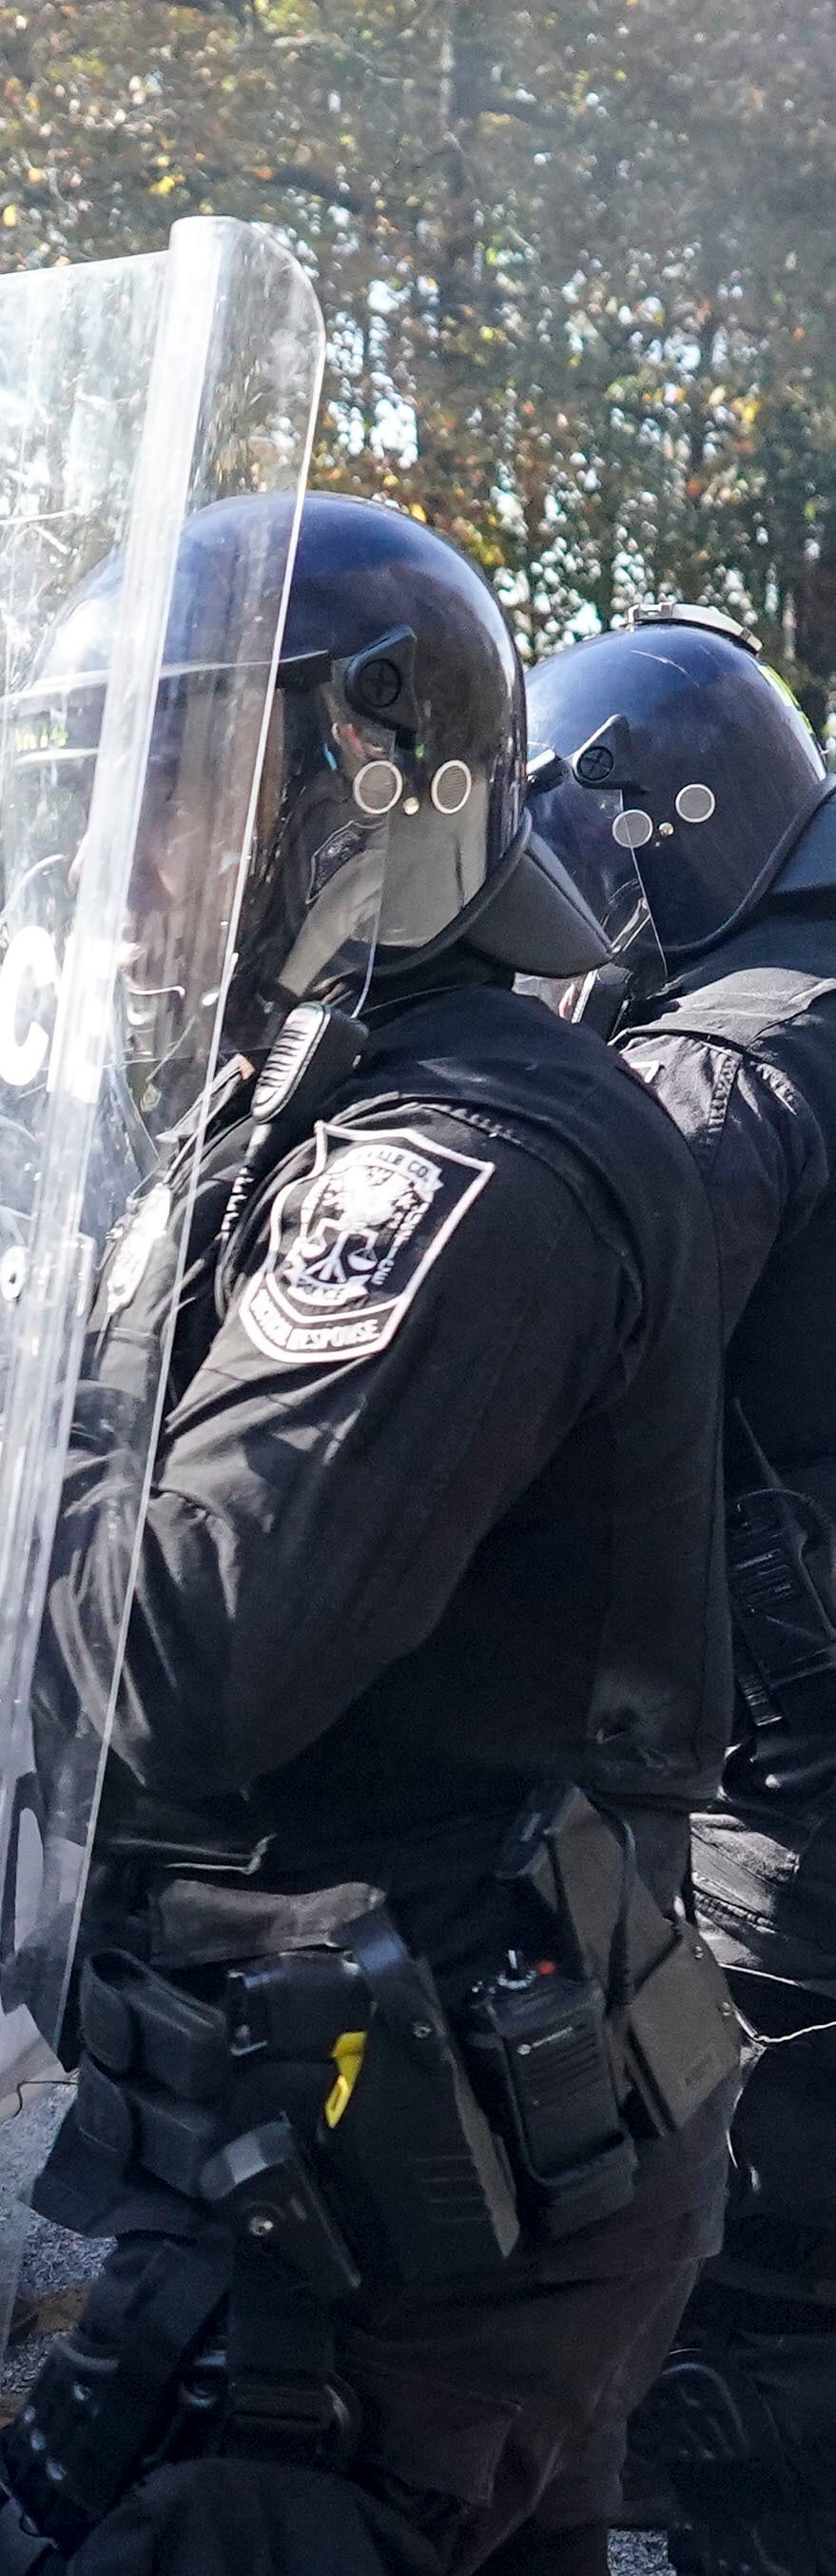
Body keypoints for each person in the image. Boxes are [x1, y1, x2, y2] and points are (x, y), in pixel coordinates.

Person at [0, 499, 741, 2576]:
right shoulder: (304, 1108)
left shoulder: (459, 1158)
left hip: (406, 2209)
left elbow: (182, 1666)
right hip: (352, 2145)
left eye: (174, 783)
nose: (113, 864)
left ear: (378, 767)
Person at [523, 607, 836, 2574]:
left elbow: (554, 1363)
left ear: (656, 824)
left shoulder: (733, 1058)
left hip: (789, 1837)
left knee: (759, 2363)